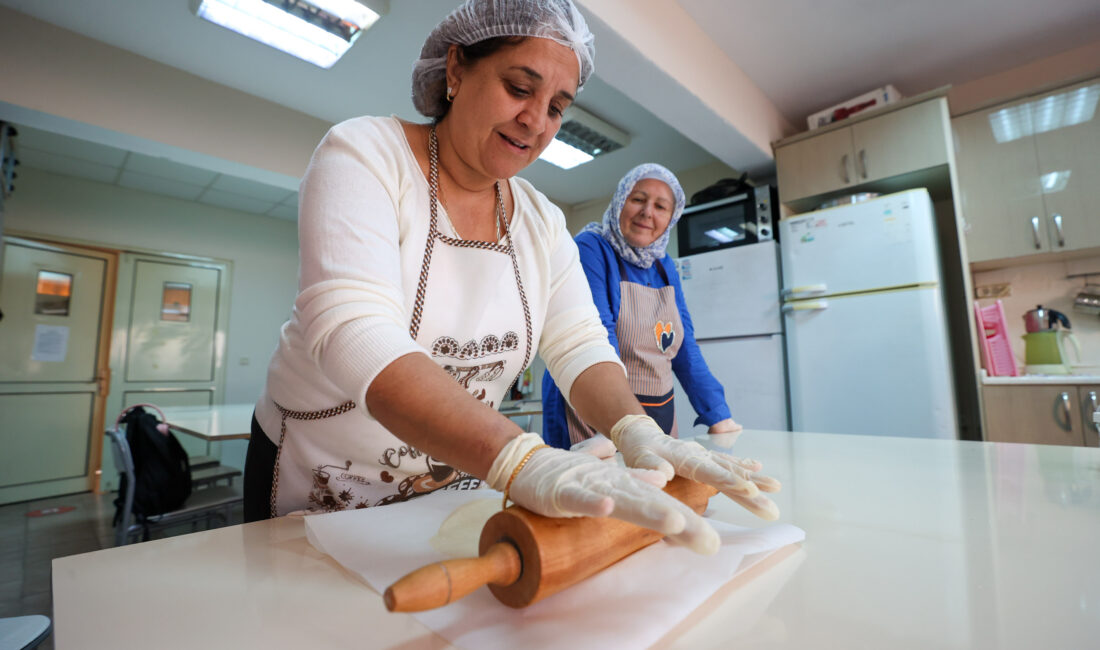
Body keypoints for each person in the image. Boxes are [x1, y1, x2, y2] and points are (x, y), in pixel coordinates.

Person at [244, 0, 779, 554]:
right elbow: (354, 330)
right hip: (322, 477)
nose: (536, 121)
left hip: (455, 476)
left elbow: (579, 344)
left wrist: (635, 430)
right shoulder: (365, 154)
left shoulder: (542, 221)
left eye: (556, 107)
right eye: (520, 88)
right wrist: (519, 457)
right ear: (455, 71)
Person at [542, 164, 743, 450]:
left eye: (661, 207)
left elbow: (685, 349)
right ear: (620, 201)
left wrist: (718, 414)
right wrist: (611, 423)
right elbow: (599, 335)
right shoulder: (592, 248)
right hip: (594, 417)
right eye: (638, 199)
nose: (648, 212)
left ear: (671, 219)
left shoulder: (664, 267)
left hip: (659, 412)